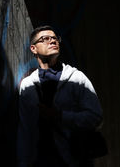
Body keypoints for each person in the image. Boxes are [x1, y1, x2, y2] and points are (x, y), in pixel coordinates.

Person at [17, 25, 103, 167]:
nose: (52, 41)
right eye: (45, 39)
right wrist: (23, 162)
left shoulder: (76, 78)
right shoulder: (27, 85)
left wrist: (60, 116)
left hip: (72, 159)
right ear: (33, 48)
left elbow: (96, 116)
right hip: (39, 160)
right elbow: (25, 129)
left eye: (55, 38)